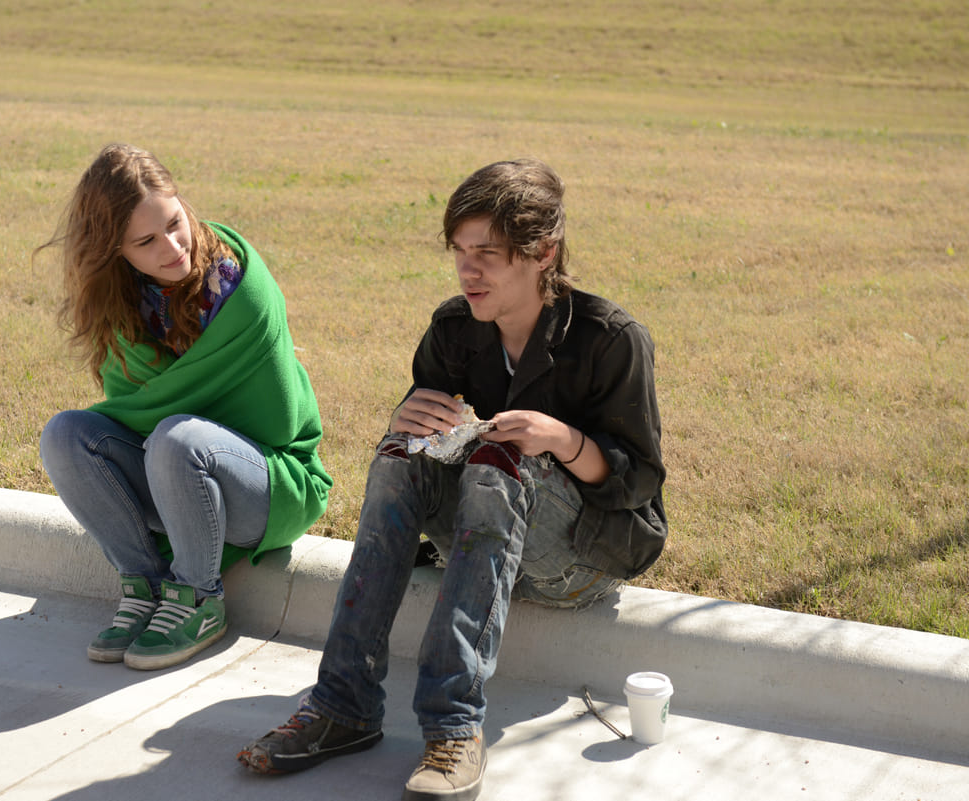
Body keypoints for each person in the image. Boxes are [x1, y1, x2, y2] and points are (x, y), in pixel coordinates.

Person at [237, 158, 666, 801]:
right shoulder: (454, 329)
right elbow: (425, 447)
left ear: (543, 253)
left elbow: (639, 483)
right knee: (397, 456)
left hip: (579, 561)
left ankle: (454, 727)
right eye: (460, 252)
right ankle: (343, 705)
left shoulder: (610, 339)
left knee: (496, 466)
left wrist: (562, 440)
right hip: (482, 536)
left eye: (488, 254)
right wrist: (408, 421)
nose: (469, 271)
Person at [37, 143, 331, 671]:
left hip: (271, 481)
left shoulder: (235, 285)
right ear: (114, 251)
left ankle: (198, 599)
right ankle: (147, 586)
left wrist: (178, 427)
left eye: (175, 223)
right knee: (65, 435)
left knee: (176, 437)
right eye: (146, 241)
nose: (173, 247)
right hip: (173, 474)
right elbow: (129, 410)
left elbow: (278, 419)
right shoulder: (121, 301)